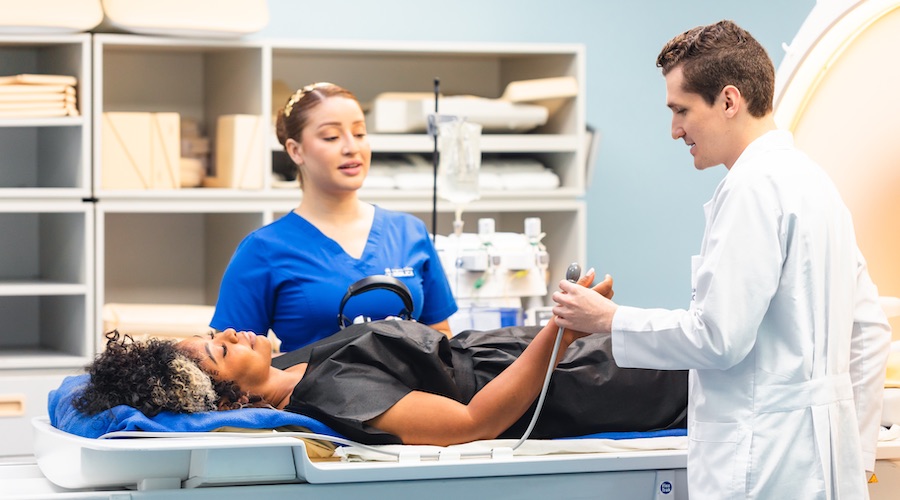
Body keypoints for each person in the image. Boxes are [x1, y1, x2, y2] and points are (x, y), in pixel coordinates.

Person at [551, 20, 892, 499]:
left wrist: (610, 319)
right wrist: (853, 458)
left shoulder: (751, 189)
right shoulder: (815, 183)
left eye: (681, 110)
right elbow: (871, 331)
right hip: (826, 471)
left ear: (729, 101)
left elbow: (718, 339)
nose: (675, 130)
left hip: (762, 468)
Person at [75, 272, 688, 447]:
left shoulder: (293, 363)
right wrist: (559, 332)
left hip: (547, 349)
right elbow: (475, 423)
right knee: (719, 366)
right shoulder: (331, 395)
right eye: (220, 350)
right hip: (567, 385)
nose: (230, 331)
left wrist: (566, 326)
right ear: (234, 398)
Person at [210, 82, 457, 352]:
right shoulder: (262, 250)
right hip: (312, 395)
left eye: (360, 133)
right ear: (296, 150)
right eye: (331, 137)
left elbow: (440, 333)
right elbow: (230, 362)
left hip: (415, 393)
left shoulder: (409, 232)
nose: (352, 147)